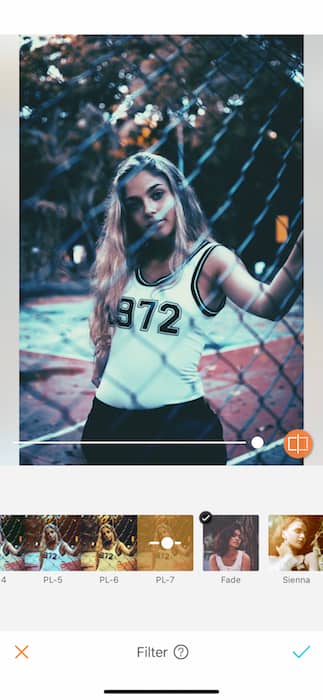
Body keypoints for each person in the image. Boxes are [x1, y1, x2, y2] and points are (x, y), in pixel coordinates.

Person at [81, 151, 303, 465]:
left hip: (177, 428)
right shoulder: (125, 261)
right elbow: (115, 327)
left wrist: (301, 251)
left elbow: (270, 304)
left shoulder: (210, 259)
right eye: (134, 203)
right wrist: (103, 350)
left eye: (157, 194)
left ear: (178, 195)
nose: (149, 209)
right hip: (108, 424)